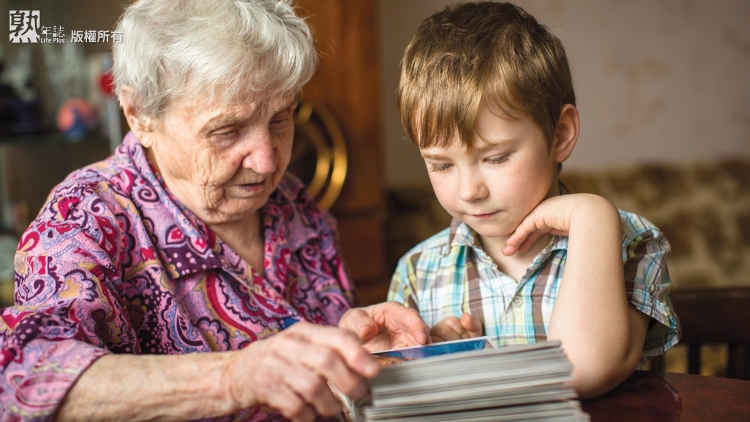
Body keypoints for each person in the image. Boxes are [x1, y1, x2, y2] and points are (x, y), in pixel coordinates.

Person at [0, 1, 430, 421]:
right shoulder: (84, 217)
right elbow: (24, 379)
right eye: (227, 130)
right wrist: (233, 377)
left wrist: (357, 347)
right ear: (139, 115)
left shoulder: (293, 203)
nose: (265, 160)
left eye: (281, 118)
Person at [388, 1, 680, 399]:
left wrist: (592, 214)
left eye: (496, 157)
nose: (469, 190)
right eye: (441, 165)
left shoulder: (629, 244)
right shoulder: (416, 273)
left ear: (559, 135)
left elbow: (581, 368)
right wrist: (436, 360)